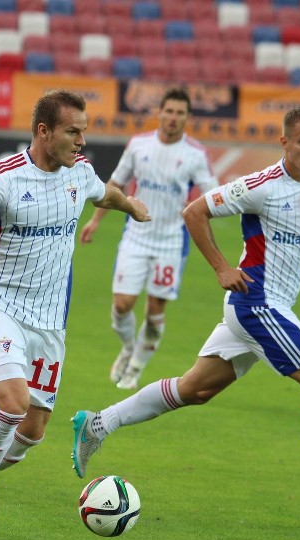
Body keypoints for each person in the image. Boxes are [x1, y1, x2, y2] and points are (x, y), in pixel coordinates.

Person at [71, 104, 300, 520]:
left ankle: (97, 423)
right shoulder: (262, 185)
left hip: (267, 307)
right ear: (285, 141)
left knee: (193, 390)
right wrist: (221, 267)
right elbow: (194, 211)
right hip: (257, 304)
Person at [0, 90, 150, 535]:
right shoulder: (2, 178)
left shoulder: (79, 173)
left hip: (50, 321)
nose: (82, 140)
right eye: (73, 131)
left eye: (84, 130)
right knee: (12, 404)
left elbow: (105, 194)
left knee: (31, 432)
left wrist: (132, 206)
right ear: (44, 132)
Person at [79, 88, 219, 390]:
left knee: (155, 312)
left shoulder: (196, 155)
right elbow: (115, 183)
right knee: (122, 305)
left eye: (180, 112)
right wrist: (95, 220)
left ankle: (137, 366)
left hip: (170, 241)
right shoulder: (139, 145)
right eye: (169, 111)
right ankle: (129, 348)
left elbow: (212, 196)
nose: (173, 117)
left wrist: (204, 210)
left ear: (187, 117)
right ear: (160, 112)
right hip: (136, 236)